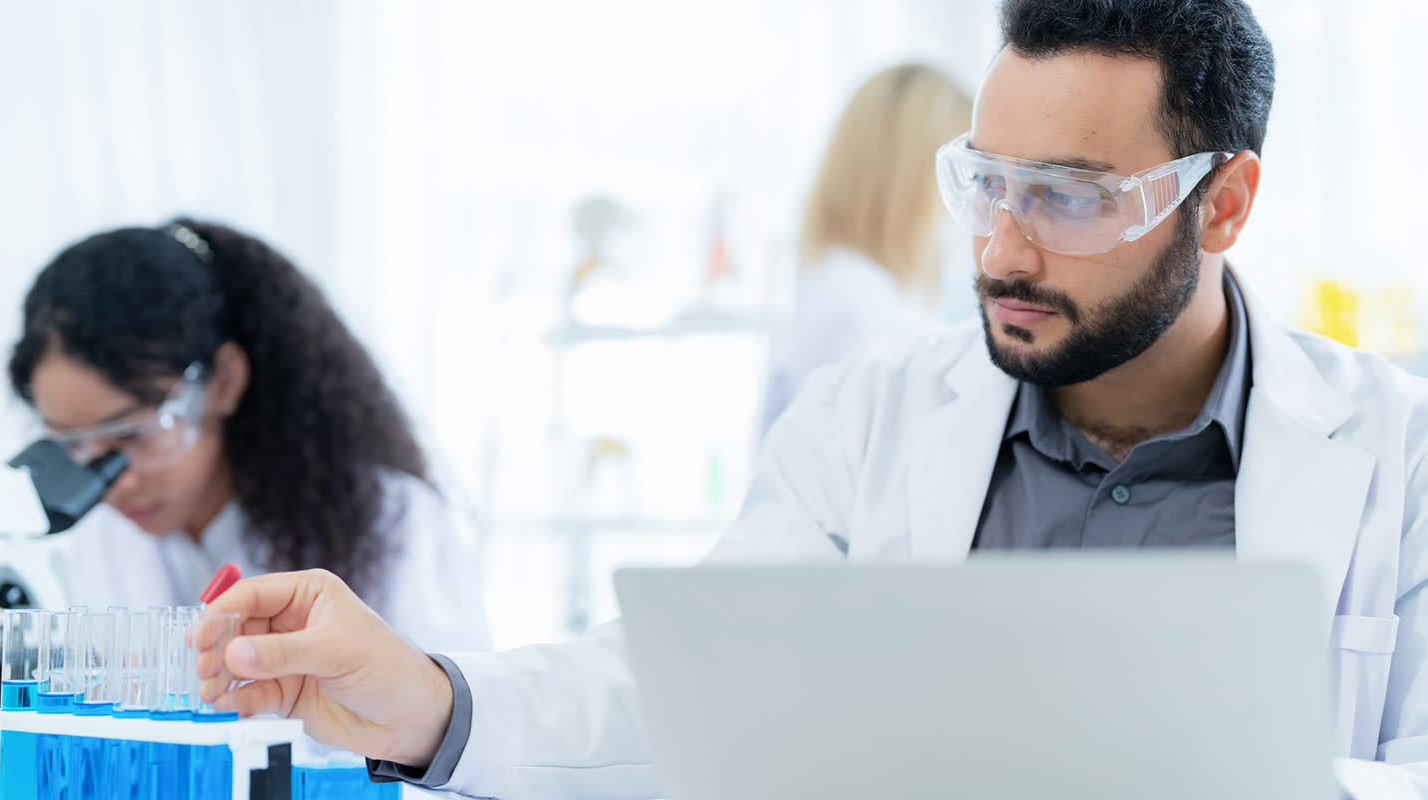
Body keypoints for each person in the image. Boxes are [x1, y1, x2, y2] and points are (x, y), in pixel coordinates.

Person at [198, 1, 1428, 797]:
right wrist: (427, 693)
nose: (1000, 249)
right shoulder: (870, 420)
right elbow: (682, 693)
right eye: (986, 182)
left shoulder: (1398, 454)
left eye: (1066, 196)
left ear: (1221, 202)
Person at [9, 220, 490, 653]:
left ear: (222, 382)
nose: (112, 480)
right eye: (72, 442)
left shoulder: (395, 523)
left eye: (133, 434)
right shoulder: (102, 540)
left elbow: (453, 732)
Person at [760, 62, 971, 434]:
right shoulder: (861, 308)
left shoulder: (839, 284)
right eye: (958, 173)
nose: (965, 196)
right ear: (909, 175)